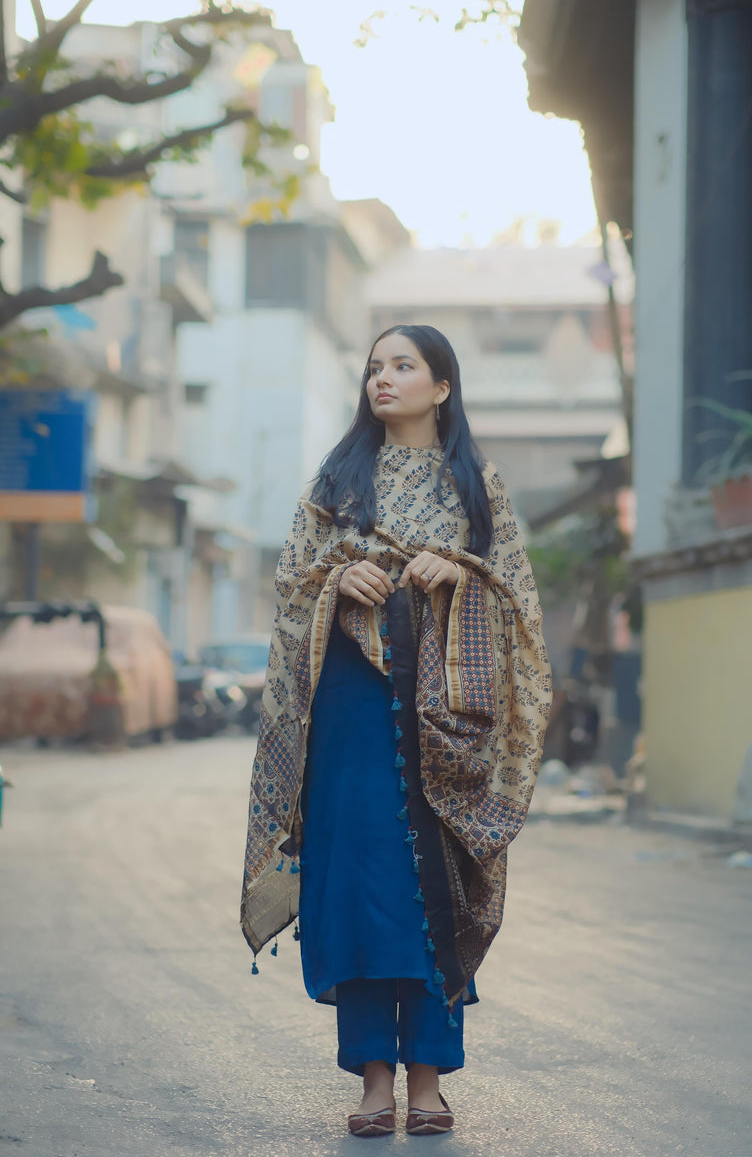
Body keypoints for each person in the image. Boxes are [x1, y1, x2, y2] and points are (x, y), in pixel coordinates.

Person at [241, 324, 551, 1137]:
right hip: (350, 700)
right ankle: (374, 1080)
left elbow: (516, 598)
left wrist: (463, 573)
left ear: (441, 386)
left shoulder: (476, 484)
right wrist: (339, 576)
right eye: (375, 367)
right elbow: (291, 586)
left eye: (403, 366)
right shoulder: (338, 479)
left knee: (433, 888)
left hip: (446, 714)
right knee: (359, 886)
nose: (384, 378)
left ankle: (428, 1079)